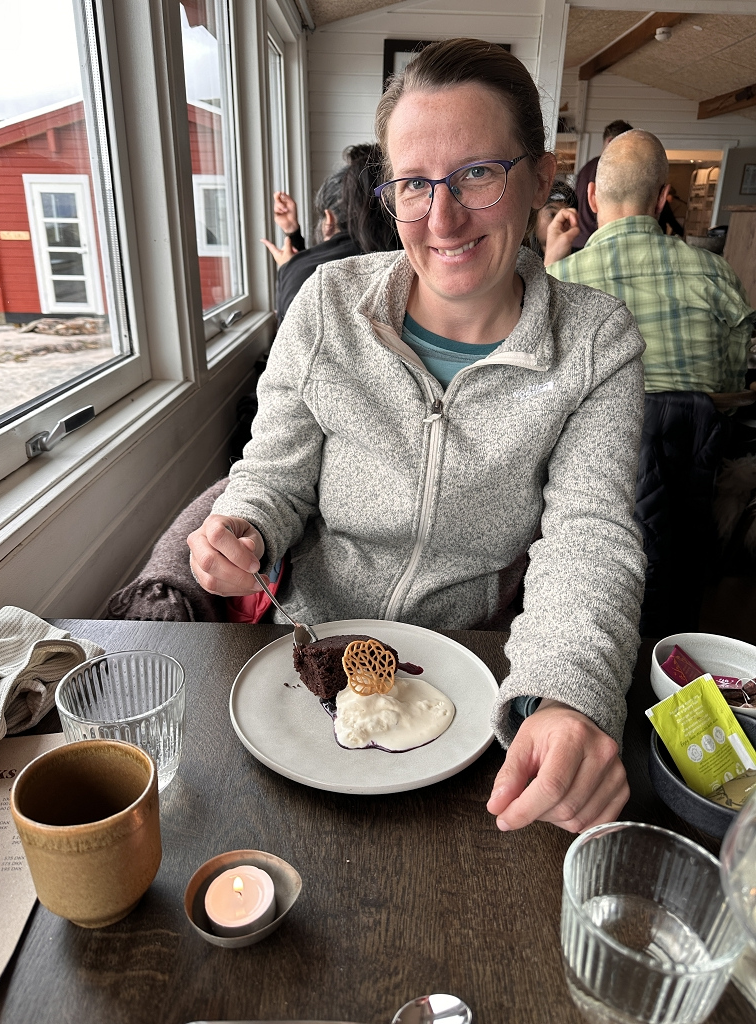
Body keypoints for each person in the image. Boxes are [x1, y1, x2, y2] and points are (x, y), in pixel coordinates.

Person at [188, 38, 646, 835]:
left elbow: (590, 538)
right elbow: (273, 471)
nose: (441, 218)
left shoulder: (596, 342)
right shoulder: (329, 305)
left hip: (470, 673)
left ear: (541, 178)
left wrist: (567, 692)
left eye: (477, 174)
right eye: (412, 184)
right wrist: (245, 524)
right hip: (303, 661)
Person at [545, 128, 756, 636]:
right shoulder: (715, 275)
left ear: (592, 197)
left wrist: (551, 262)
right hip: (692, 507)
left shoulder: (562, 281)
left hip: (586, 502)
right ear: (664, 198)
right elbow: (728, 390)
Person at [261, 144, 399, 323]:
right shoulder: (400, 258)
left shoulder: (303, 277)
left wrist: (291, 268)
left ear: (329, 218)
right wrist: (293, 234)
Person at [573, 120, 633, 248]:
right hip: (596, 244)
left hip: (577, 241)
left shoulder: (586, 167)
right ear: (611, 141)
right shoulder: (610, 168)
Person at [527, 180, 577, 259]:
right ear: (533, 219)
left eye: (568, 216)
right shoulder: (519, 263)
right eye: (552, 214)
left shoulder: (583, 260)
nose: (560, 221)